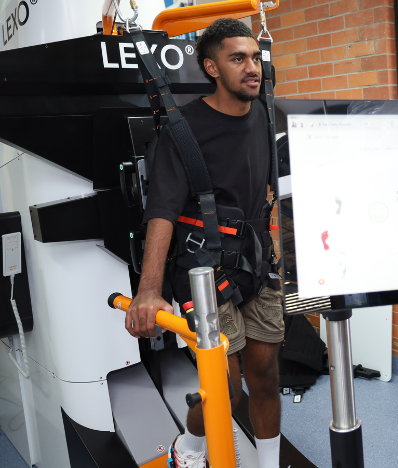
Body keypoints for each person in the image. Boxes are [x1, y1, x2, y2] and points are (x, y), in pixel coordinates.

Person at [124, 19, 283, 468]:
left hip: (256, 264)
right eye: (238, 58)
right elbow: (161, 212)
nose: (252, 67)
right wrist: (149, 290)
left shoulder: (265, 115)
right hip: (203, 270)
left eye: (255, 57)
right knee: (225, 387)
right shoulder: (184, 130)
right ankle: (188, 449)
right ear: (212, 67)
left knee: (266, 375)